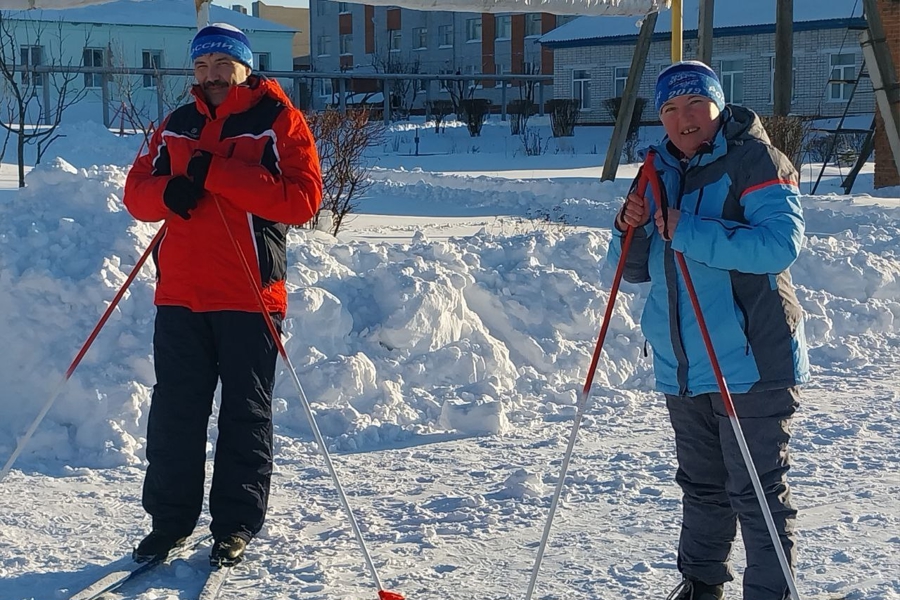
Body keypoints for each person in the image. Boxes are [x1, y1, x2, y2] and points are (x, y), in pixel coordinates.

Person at [607, 61, 809, 600]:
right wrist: (631, 228)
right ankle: (700, 587)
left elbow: (778, 246)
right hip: (685, 363)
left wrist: (689, 230)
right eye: (670, 109)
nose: (683, 118)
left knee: (756, 493)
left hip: (751, 357)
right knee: (701, 488)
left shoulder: (756, 159)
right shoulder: (657, 168)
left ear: (718, 107)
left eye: (695, 103)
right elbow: (631, 270)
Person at [123, 23, 323, 567]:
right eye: (201, 66)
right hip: (181, 295)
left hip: (249, 296)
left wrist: (219, 174)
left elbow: (303, 200)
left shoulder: (278, 120)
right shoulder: (175, 124)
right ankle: (170, 521)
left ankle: (234, 525)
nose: (210, 76)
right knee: (175, 412)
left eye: (221, 64)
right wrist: (170, 189)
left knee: (245, 414)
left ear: (244, 65)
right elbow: (135, 192)